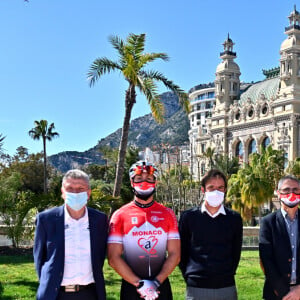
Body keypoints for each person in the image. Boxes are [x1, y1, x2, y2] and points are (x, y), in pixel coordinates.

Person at [107, 160, 180, 300]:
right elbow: (113, 258)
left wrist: (157, 282)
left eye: (149, 179)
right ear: (131, 181)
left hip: (160, 285)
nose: (144, 182)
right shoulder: (120, 215)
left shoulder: (168, 214)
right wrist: (139, 284)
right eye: (139, 179)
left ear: (156, 182)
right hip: (131, 286)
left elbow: (175, 254)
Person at [33, 169, 108, 300]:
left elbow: (100, 255)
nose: (75, 192)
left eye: (80, 188)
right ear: (63, 192)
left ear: (88, 193)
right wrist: (49, 282)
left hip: (90, 293)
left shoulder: (99, 220)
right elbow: (40, 258)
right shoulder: (46, 219)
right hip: (55, 294)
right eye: (70, 188)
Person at [179, 169, 243, 300]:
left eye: (220, 188)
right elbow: (182, 252)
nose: (216, 192)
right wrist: (191, 275)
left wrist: (226, 273)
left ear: (225, 190)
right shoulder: (188, 217)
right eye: (211, 187)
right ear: (203, 190)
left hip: (226, 286)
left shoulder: (234, 219)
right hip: (196, 287)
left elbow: (236, 252)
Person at [259, 174, 300, 300]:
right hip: (276, 293)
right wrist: (284, 292)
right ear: (278, 193)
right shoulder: (268, 222)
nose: (291, 193)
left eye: (295, 190)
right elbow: (266, 259)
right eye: (286, 190)